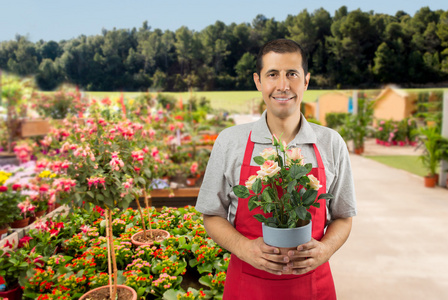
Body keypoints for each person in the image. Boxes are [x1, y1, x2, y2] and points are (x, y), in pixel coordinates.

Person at [195, 38, 356, 299]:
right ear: (258, 81)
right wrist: (244, 248)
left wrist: (325, 250)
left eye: (292, 74)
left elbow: (343, 217)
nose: (283, 86)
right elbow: (211, 215)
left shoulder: (330, 143)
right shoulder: (230, 141)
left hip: (313, 286)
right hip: (248, 285)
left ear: (306, 81)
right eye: (273, 74)